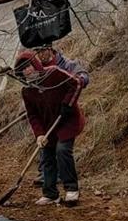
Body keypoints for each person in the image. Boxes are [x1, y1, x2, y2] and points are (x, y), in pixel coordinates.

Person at [15, 49, 85, 207]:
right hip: (48, 127)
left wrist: (67, 104)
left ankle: (71, 189)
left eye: (28, 66)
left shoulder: (54, 72)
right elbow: (32, 115)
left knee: (62, 150)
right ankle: (50, 194)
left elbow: (76, 83)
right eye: (23, 69)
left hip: (67, 120)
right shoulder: (27, 91)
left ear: (35, 64)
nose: (27, 70)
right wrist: (39, 134)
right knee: (46, 155)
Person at [29, 44, 89, 188]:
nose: (40, 55)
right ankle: (46, 174)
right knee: (45, 142)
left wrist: (78, 81)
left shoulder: (65, 64)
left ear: (50, 49)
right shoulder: (36, 68)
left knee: (62, 148)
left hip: (66, 112)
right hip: (48, 114)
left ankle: (68, 183)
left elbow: (83, 77)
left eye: (42, 51)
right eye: (37, 52)